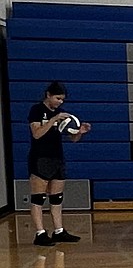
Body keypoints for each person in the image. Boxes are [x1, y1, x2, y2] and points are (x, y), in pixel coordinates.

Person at [27, 80, 89, 246]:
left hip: (57, 158)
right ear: (48, 95)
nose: (60, 102)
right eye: (57, 98)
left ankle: (59, 230)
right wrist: (53, 119)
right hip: (40, 158)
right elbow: (37, 134)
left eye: (62, 100)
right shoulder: (37, 110)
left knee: (56, 198)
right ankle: (40, 233)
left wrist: (79, 132)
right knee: (38, 198)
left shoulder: (61, 113)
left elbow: (72, 138)